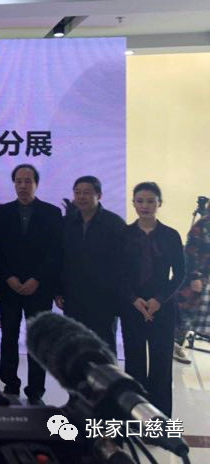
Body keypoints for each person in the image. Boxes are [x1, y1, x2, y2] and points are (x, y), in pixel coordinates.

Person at [0, 164, 63, 404]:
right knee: (8, 339)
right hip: (9, 287)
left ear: (36, 184)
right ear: (14, 184)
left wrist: (37, 279)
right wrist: (9, 277)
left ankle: (35, 391)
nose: (23, 185)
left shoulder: (52, 213)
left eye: (28, 181)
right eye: (18, 181)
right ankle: (10, 385)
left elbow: (55, 253)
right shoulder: (1, 213)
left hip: (39, 289)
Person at [120, 182, 185, 417]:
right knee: (134, 365)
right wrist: (134, 300)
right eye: (140, 201)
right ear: (133, 203)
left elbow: (180, 273)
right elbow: (118, 273)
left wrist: (158, 300)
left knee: (161, 365)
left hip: (163, 308)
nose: (145, 206)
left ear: (159, 203)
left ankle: (159, 421)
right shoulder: (124, 234)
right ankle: (134, 417)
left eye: (150, 201)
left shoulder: (170, 235)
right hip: (132, 308)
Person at [56, 176, 126, 353]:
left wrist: (118, 295)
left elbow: (122, 264)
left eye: (87, 193)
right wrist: (58, 290)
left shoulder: (114, 223)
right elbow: (60, 259)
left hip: (104, 298)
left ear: (99, 195)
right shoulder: (66, 223)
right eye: (77, 192)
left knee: (104, 346)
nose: (81, 197)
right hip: (73, 297)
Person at [174, 212, 210, 364]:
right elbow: (189, 252)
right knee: (185, 314)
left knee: (193, 315)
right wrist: (195, 276)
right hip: (195, 279)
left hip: (205, 279)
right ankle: (174, 346)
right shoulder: (203, 225)